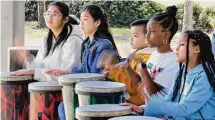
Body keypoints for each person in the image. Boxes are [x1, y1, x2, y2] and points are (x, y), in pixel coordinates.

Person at [46, 5, 119, 120]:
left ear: (97, 22)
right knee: (63, 106)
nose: (81, 24)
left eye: (85, 20)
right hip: (89, 91)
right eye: (80, 20)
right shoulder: (86, 43)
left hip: (101, 95)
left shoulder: (103, 45)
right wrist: (65, 72)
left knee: (65, 107)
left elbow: (97, 76)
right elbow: (83, 70)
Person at [126, 30, 215, 119]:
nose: (176, 48)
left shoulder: (204, 76)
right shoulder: (181, 73)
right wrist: (143, 109)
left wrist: (154, 104)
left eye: (182, 45)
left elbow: (184, 109)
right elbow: (168, 100)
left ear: (197, 49)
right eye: (177, 44)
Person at [11, 1, 83, 81]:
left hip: (64, 90)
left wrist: (34, 71)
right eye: (48, 14)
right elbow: (38, 68)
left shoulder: (73, 40)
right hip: (46, 88)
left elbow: (64, 74)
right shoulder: (47, 38)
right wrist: (28, 57)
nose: (49, 17)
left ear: (65, 19)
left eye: (54, 14)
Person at [103, 19, 151, 105]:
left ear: (148, 37)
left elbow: (134, 85)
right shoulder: (137, 54)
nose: (131, 39)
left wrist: (113, 73)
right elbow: (124, 70)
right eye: (131, 35)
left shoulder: (146, 58)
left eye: (135, 36)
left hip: (137, 105)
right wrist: (111, 68)